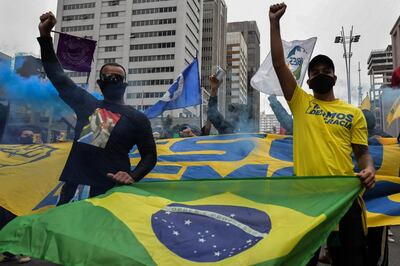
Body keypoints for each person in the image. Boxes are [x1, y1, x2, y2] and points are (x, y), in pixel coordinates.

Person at [269, 3, 375, 266]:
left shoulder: (353, 113)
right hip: (306, 199)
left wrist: (369, 169)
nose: (320, 74)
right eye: (315, 72)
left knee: (350, 260)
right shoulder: (300, 103)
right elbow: (280, 64)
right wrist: (274, 24)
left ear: (335, 78)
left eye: (326, 71)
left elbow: (362, 153)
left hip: (344, 198)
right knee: (305, 260)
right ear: (307, 81)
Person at [37, 12, 157, 205]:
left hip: (111, 190)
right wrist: (45, 37)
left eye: (118, 77)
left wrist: (133, 176)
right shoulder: (87, 104)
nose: (113, 80)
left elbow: (150, 155)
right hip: (72, 188)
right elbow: (56, 74)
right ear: (100, 84)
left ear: (125, 84)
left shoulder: (137, 118)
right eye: (108, 77)